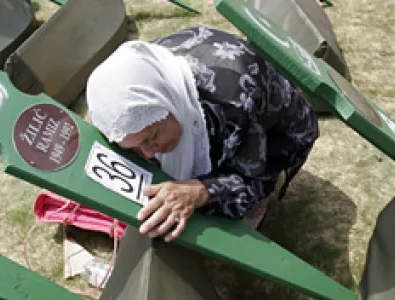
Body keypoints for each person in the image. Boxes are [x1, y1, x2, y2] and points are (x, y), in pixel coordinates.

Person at [87, 26, 318, 300]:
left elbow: (253, 181)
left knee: (225, 209)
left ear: (169, 103)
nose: (148, 154)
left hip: (278, 134)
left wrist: (202, 191)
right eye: (136, 147)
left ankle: (252, 215)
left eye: (151, 138)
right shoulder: (144, 77)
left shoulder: (235, 100)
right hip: (222, 116)